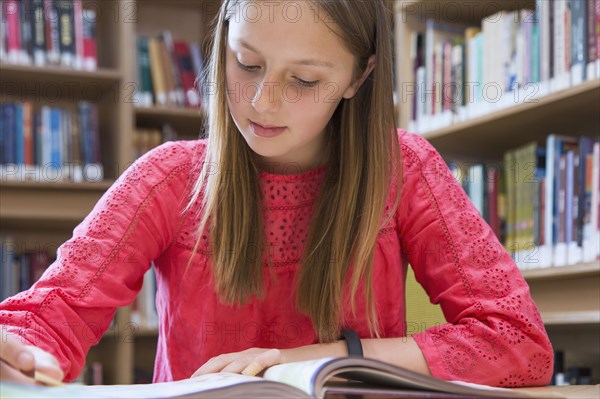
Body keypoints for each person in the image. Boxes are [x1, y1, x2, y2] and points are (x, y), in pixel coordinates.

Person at [0, 0, 553, 388]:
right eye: (248, 63)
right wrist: (22, 352)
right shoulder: (168, 179)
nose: (263, 102)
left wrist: (315, 360)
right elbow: (51, 314)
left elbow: (518, 344)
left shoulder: (404, 169)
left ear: (360, 78)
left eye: (304, 81)